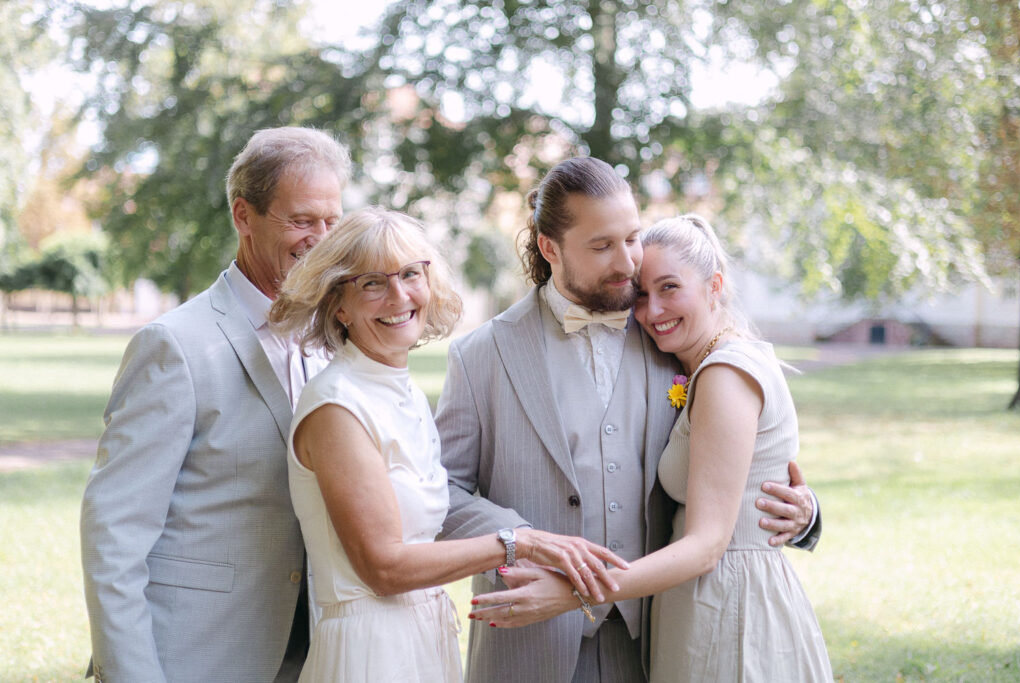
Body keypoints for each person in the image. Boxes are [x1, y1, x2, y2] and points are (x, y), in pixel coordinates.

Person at [435, 156, 821, 683]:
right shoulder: (482, 354)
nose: (627, 264)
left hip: (653, 636)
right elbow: (442, 492)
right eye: (601, 246)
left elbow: (742, 459)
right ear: (550, 249)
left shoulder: (669, 331)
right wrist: (521, 540)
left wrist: (805, 512)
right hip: (529, 636)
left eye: (632, 239)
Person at [266, 206, 629, 683]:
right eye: (372, 283)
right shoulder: (337, 406)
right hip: (369, 653)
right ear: (339, 304)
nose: (399, 295)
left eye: (410, 274)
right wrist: (518, 543)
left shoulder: (402, 390)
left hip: (426, 641)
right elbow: (385, 569)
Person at [80, 126, 350, 683]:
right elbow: (113, 535)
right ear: (243, 216)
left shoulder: (335, 339)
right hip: (196, 656)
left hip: (317, 655)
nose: (321, 239)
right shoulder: (174, 345)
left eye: (332, 221)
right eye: (301, 220)